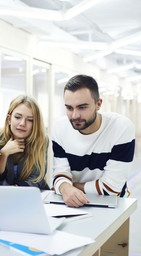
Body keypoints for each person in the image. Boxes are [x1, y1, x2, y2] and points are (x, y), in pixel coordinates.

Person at [52, 74, 135, 208]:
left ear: (98, 104)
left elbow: (111, 189)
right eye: (69, 108)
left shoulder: (121, 128)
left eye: (82, 107)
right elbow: (60, 173)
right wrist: (65, 187)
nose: (75, 116)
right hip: (70, 204)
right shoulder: (59, 127)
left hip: (112, 205)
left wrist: (67, 187)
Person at [0, 95, 49, 190]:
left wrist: (17, 190)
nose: (22, 123)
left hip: (30, 195)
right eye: (18, 117)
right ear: (9, 119)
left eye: (30, 120)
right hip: (1, 196)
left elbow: (37, 178)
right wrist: (3, 154)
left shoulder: (41, 140)